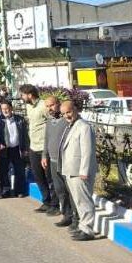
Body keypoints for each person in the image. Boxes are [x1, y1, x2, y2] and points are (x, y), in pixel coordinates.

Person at [59, 100, 98, 242]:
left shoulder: (84, 127)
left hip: (80, 171)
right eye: (63, 114)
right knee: (79, 201)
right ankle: (83, 227)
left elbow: (88, 152)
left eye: (68, 112)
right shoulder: (71, 126)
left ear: (75, 109)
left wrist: (84, 171)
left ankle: (88, 230)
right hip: (71, 170)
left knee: (84, 201)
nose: (66, 116)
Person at [23, 85, 55, 212]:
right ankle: (46, 201)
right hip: (33, 146)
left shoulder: (43, 106)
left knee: (49, 176)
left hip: (44, 147)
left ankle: (54, 204)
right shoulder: (28, 106)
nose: (22, 97)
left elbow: (52, 122)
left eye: (23, 94)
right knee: (38, 176)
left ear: (30, 94)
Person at [43, 95, 74, 224]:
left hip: (66, 161)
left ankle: (75, 218)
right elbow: (47, 139)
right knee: (59, 189)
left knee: (70, 190)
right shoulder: (50, 121)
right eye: (47, 106)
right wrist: (44, 155)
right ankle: (67, 215)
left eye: (52, 105)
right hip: (53, 161)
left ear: (58, 104)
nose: (50, 108)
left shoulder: (67, 120)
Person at [0, 101, 28, 198]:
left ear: (11, 108)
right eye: (3, 109)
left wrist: (25, 148)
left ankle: (19, 190)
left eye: (7, 108)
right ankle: (6, 190)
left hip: (17, 148)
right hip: (4, 149)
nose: (5, 110)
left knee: (19, 170)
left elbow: (25, 135)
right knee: (3, 171)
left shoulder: (20, 119)